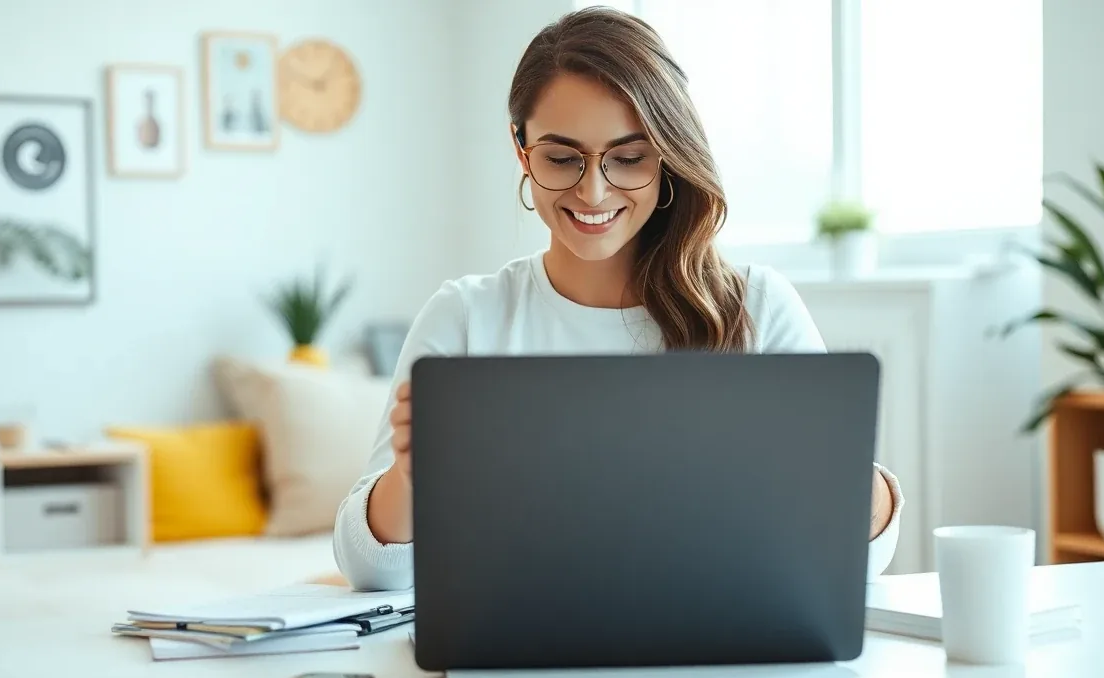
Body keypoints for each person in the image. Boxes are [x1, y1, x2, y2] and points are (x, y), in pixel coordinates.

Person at [334, 6, 904, 591]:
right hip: (529, 638)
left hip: (718, 636)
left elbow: (862, 557)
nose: (593, 191)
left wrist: (840, 467)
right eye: (561, 158)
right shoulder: (466, 317)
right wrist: (413, 477)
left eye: (629, 159)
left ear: (668, 157)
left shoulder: (755, 307)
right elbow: (369, 567)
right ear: (521, 150)